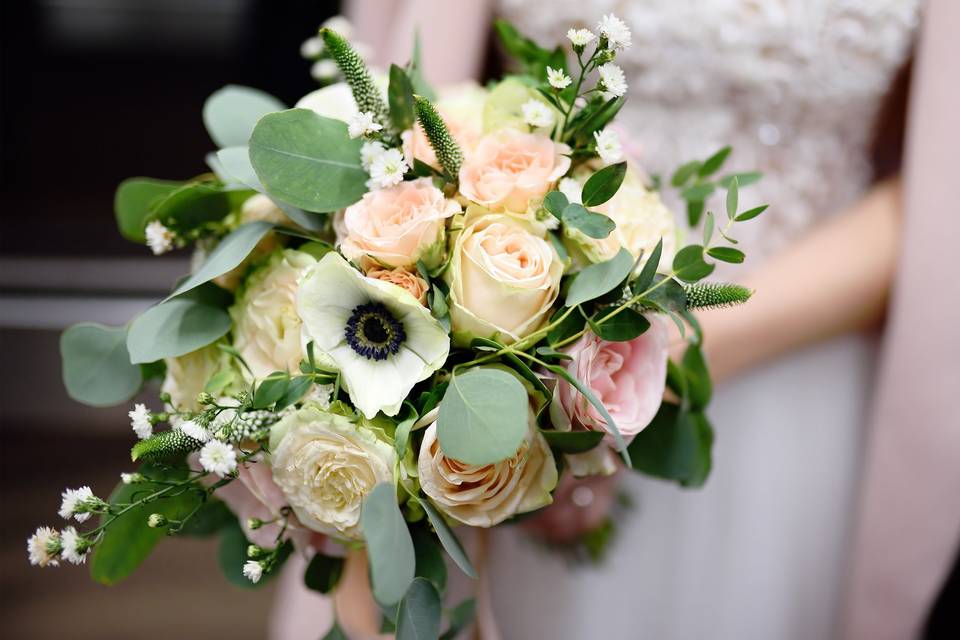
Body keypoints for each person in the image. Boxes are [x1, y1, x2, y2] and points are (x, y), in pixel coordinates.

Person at [270, 1, 960, 638]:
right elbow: (416, 104)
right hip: (521, 382)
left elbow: (938, 193)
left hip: (795, 392)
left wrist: (630, 378)